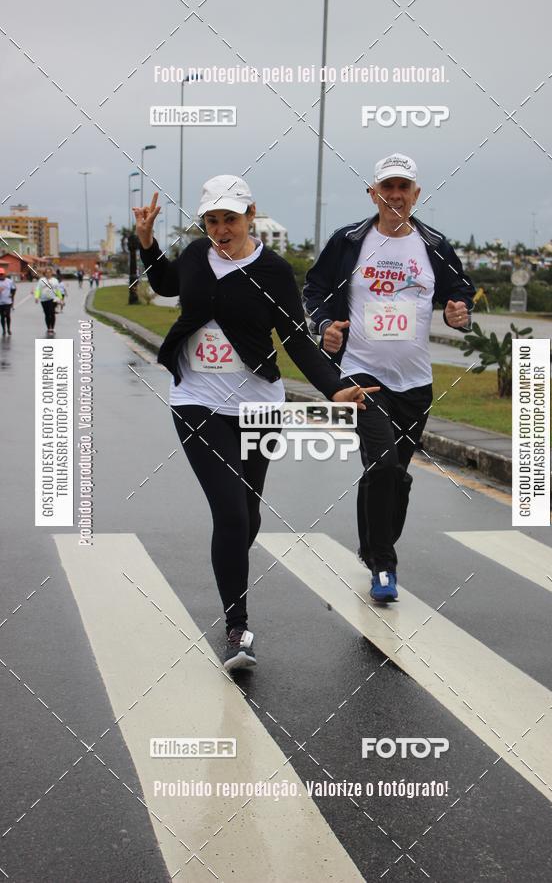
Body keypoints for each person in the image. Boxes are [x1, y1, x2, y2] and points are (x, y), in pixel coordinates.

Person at [134, 177, 378, 672]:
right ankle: (237, 625)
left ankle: (230, 567)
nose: (221, 229)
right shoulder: (198, 256)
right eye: (212, 220)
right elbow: (164, 283)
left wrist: (335, 387)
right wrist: (147, 243)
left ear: (250, 215)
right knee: (231, 514)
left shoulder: (273, 270)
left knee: (249, 513)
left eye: (230, 219)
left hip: (258, 406)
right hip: (196, 400)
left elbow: (296, 339)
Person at [303, 153, 475, 604]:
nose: (395, 195)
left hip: (415, 382)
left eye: (404, 188)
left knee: (394, 476)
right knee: (381, 465)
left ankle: (372, 546)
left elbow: (459, 291)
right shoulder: (349, 241)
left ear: (416, 194)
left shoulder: (434, 244)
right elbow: (314, 289)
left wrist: (460, 314)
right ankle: (384, 563)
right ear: (373, 193)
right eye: (387, 187)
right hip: (363, 374)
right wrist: (325, 325)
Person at [34, 268, 62, 336]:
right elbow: (38, 289)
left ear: (51, 273)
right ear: (45, 273)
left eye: (49, 272)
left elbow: (58, 289)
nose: (48, 274)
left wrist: (61, 298)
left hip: (53, 299)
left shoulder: (55, 280)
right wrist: (37, 297)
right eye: (47, 272)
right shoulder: (41, 280)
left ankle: (52, 328)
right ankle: (48, 327)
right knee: (46, 314)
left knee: (51, 312)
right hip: (44, 299)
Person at [0, 269, 16, 335]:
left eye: (2, 274)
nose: (1, 276)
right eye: (0, 274)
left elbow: (14, 289)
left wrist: (11, 295)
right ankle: (4, 330)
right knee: (2, 316)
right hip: (0, 302)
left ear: (5, 274)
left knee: (7, 315)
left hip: (8, 302)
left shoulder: (9, 281)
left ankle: (9, 329)